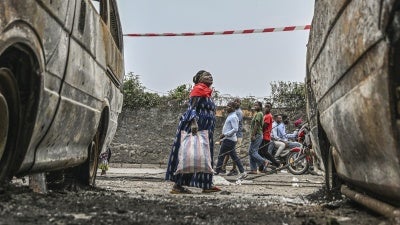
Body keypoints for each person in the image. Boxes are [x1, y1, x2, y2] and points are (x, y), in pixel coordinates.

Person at [165, 70, 220, 194]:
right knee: (190, 155)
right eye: (206, 75)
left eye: (211, 75)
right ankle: (178, 185)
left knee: (204, 157)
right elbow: (192, 108)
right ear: (199, 78)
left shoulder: (207, 93)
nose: (210, 77)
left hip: (206, 129)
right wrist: (194, 123)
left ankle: (206, 185)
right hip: (196, 127)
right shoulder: (198, 89)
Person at [214, 101, 247, 180]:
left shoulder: (233, 117)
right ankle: (243, 172)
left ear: (232, 108)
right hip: (229, 139)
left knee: (221, 155)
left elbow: (235, 129)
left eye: (228, 106)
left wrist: (225, 134)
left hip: (229, 140)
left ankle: (216, 172)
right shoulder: (231, 116)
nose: (226, 107)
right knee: (234, 157)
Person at [221, 98, 244, 176]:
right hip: (231, 136)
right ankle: (222, 168)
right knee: (228, 153)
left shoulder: (238, 113)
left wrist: (225, 135)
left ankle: (235, 169)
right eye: (235, 101)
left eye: (238, 102)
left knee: (234, 154)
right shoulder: (232, 113)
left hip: (237, 135)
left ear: (240, 104)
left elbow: (235, 128)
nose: (236, 103)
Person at [248, 101, 271, 174]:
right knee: (251, 152)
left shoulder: (259, 114)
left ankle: (264, 162)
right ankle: (253, 169)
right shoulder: (257, 114)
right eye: (254, 105)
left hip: (257, 134)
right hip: (256, 134)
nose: (255, 106)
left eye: (257, 105)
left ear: (260, 107)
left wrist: (253, 135)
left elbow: (257, 125)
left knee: (253, 151)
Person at [258, 103, 281, 171]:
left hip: (265, 137)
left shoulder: (268, 116)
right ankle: (262, 167)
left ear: (270, 108)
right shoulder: (265, 115)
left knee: (263, 152)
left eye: (268, 107)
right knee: (262, 152)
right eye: (266, 107)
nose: (266, 108)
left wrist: (258, 131)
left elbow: (264, 126)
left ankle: (276, 164)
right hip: (264, 136)